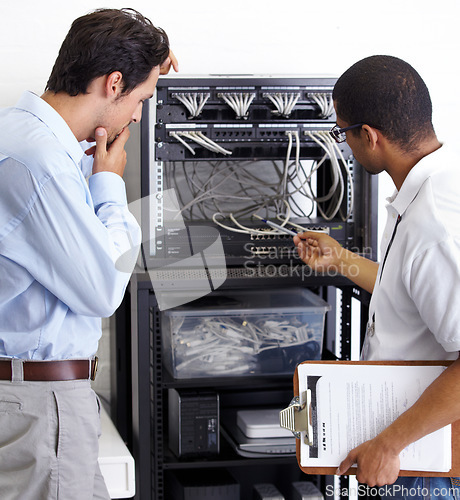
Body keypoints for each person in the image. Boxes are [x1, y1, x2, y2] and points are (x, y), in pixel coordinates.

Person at [0, 8, 177, 499]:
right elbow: (104, 288)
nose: (140, 116)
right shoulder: (38, 163)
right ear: (114, 83)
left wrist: (154, 58)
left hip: (41, 403)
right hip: (39, 406)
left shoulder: (29, 143)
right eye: (142, 98)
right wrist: (109, 184)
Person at [294, 55, 460, 497]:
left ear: (368, 137)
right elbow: (407, 293)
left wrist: (389, 444)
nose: (343, 143)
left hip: (422, 468)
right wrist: (342, 260)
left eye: (342, 132)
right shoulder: (434, 188)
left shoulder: (433, 225)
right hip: (409, 451)